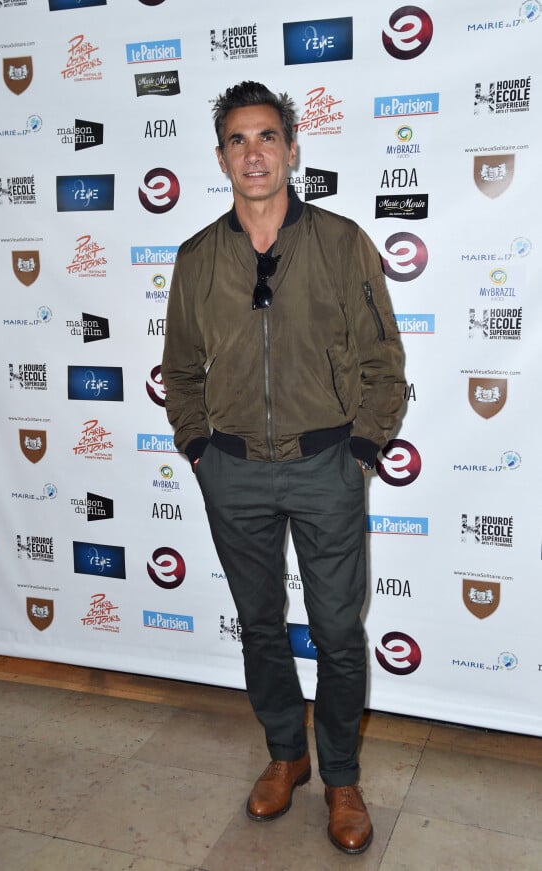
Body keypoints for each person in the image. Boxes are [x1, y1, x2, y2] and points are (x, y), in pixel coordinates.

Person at [162, 81, 405, 855]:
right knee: (262, 628)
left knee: (337, 631)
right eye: (238, 140)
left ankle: (340, 775)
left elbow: (383, 362)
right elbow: (180, 371)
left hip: (326, 466)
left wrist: (360, 452)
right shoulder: (197, 257)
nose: (254, 152)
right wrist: (198, 448)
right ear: (222, 156)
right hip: (232, 473)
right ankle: (285, 755)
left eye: (268, 136)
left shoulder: (341, 242)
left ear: (293, 150)